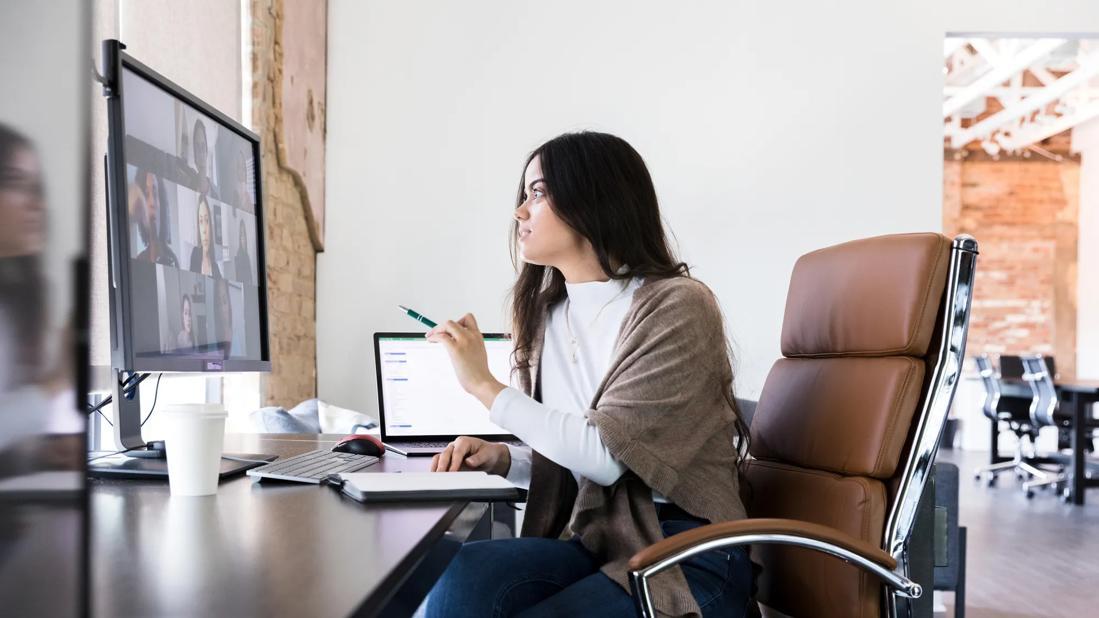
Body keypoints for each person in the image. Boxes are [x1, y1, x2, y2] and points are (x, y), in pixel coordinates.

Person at [423, 132, 754, 617]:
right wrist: (504, 460)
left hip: (686, 552)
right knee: (465, 575)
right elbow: (577, 456)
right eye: (524, 195)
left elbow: (605, 457)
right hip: (602, 542)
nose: (520, 211)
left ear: (591, 199)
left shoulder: (677, 307)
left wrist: (484, 387)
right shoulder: (548, 315)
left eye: (537, 193)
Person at [132, 169, 179, 267]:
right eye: (146, 195)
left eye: (155, 193)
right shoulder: (139, 261)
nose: (152, 203)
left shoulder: (172, 260)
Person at [188, 195, 221, 278]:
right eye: (201, 221)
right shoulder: (195, 254)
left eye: (206, 220)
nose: (204, 230)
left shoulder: (215, 267)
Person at [192, 118, 217, 198]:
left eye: (203, 146)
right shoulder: (188, 186)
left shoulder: (216, 193)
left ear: (206, 150)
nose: (201, 152)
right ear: (194, 153)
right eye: (197, 147)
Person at [212, 279, 233, 359]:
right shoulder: (213, 339)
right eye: (218, 303)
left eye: (224, 301)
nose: (221, 309)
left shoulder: (237, 335)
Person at [234, 220, 252, 286]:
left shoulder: (247, 255)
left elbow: (250, 278)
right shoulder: (239, 256)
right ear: (239, 238)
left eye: (244, 234)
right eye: (241, 235)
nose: (244, 239)